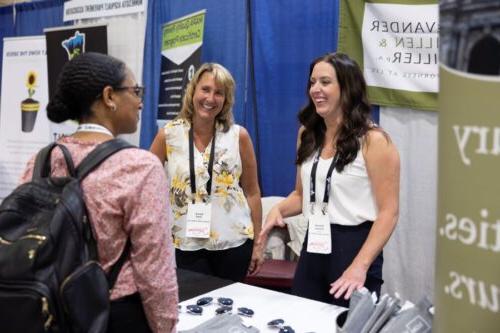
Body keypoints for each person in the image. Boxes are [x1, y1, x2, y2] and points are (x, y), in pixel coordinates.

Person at [20, 52, 178, 332]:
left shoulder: (41, 160)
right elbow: (154, 271)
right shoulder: (138, 166)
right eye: (135, 91)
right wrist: (166, 327)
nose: (141, 102)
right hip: (113, 315)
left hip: (48, 310)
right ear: (109, 96)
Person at [259, 52, 400, 307]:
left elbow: (388, 213)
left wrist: (360, 266)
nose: (316, 90)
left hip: (356, 248)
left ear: (347, 88)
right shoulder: (307, 135)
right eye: (312, 82)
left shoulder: (374, 141)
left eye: (325, 82)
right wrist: (278, 210)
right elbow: (301, 196)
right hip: (314, 246)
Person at [150, 63, 263, 282]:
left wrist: (258, 244)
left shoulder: (239, 136)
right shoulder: (169, 135)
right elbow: (146, 187)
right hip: (185, 243)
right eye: (205, 89)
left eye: (219, 93)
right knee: (192, 312)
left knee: (229, 312)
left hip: (234, 243)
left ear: (226, 99)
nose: (210, 98)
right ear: (193, 91)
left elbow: (252, 193)